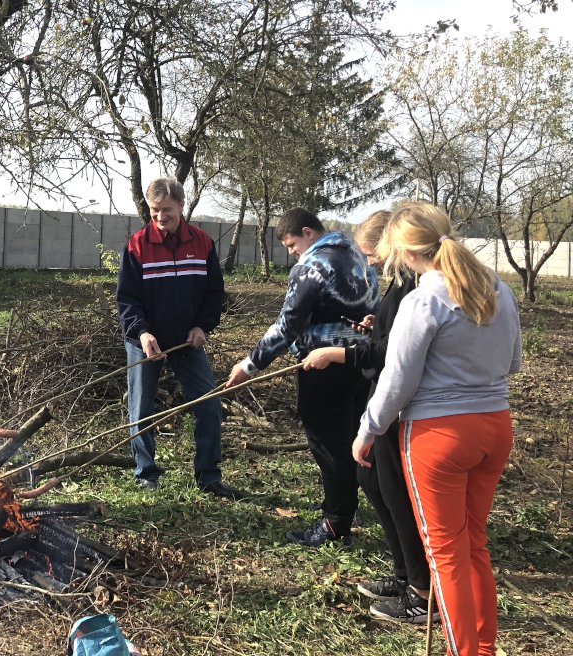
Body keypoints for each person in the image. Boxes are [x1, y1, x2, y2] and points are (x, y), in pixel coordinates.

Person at [354, 202, 521, 656]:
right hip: (495, 426)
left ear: (407, 253)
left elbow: (397, 378)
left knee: (445, 553)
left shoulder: (423, 299)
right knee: (473, 544)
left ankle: (463, 651)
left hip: (439, 437)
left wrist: (369, 429)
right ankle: (483, 645)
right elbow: (512, 362)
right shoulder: (498, 289)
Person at [302, 211, 434, 624]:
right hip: (391, 398)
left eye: (371, 254)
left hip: (404, 403)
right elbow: (391, 336)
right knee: (372, 479)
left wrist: (335, 353)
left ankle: (422, 591)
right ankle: (405, 575)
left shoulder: (420, 286)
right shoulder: (402, 283)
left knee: (390, 487)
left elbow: (394, 355)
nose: (369, 264)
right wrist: (378, 324)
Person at [225, 208, 377, 545]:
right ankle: (342, 505)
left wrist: (250, 364)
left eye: (292, 243)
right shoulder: (356, 255)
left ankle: (336, 526)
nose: (292, 251)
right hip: (360, 363)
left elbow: (288, 324)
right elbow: (373, 307)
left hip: (323, 366)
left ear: (308, 232)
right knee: (350, 437)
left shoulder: (312, 265)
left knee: (327, 443)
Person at [116, 178, 237, 498]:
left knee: (208, 404)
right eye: (154, 210)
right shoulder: (136, 245)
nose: (159, 216)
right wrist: (141, 333)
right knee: (141, 409)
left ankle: (209, 475)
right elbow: (127, 299)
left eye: (166, 210)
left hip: (187, 341)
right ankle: (146, 473)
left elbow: (214, 293)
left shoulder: (202, 243)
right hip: (145, 341)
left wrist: (203, 326)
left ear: (182, 206)